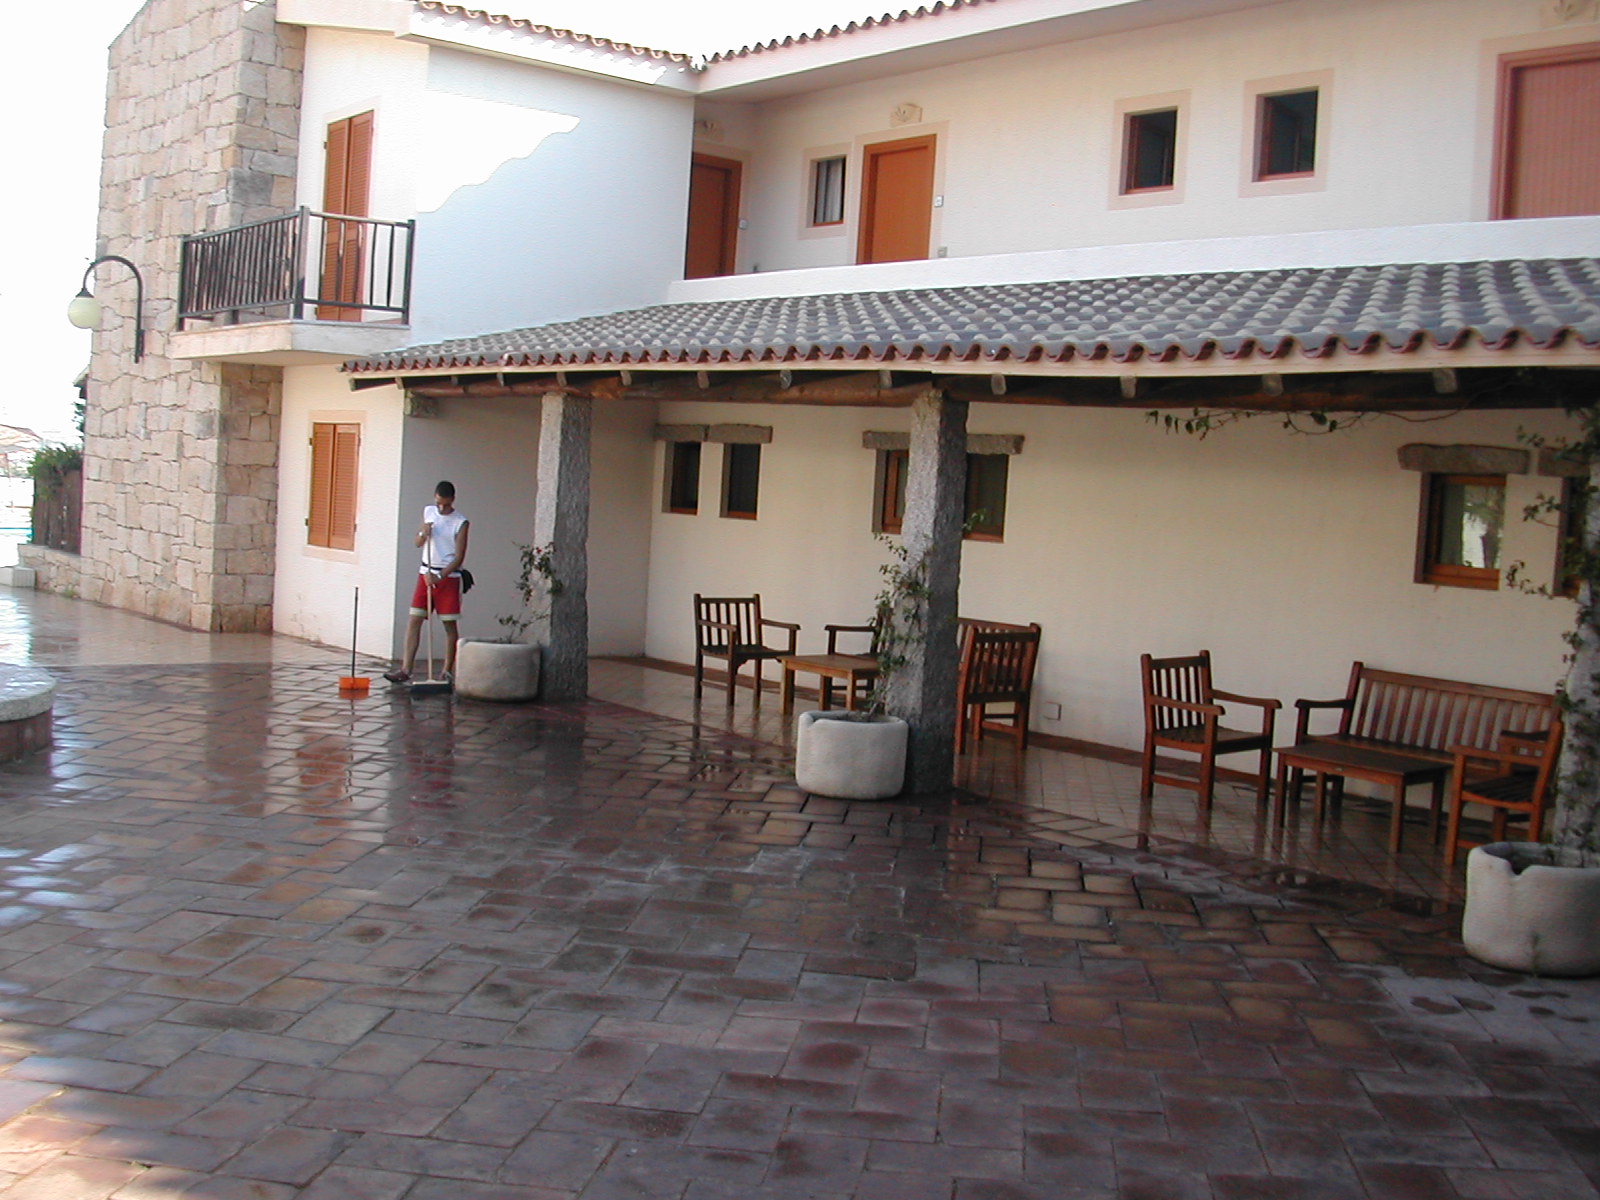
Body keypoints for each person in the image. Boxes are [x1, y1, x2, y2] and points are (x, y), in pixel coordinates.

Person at [384, 481, 470, 684]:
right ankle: (406, 669)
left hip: (448, 577)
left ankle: (447, 671)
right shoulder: (429, 512)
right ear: (435, 498)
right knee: (415, 619)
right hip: (425, 572)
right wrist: (423, 532)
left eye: (446, 504)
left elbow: (459, 557)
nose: (442, 508)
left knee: (449, 624)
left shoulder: (461, 522)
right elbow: (417, 543)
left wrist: (440, 576)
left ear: (453, 500)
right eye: (439, 503)